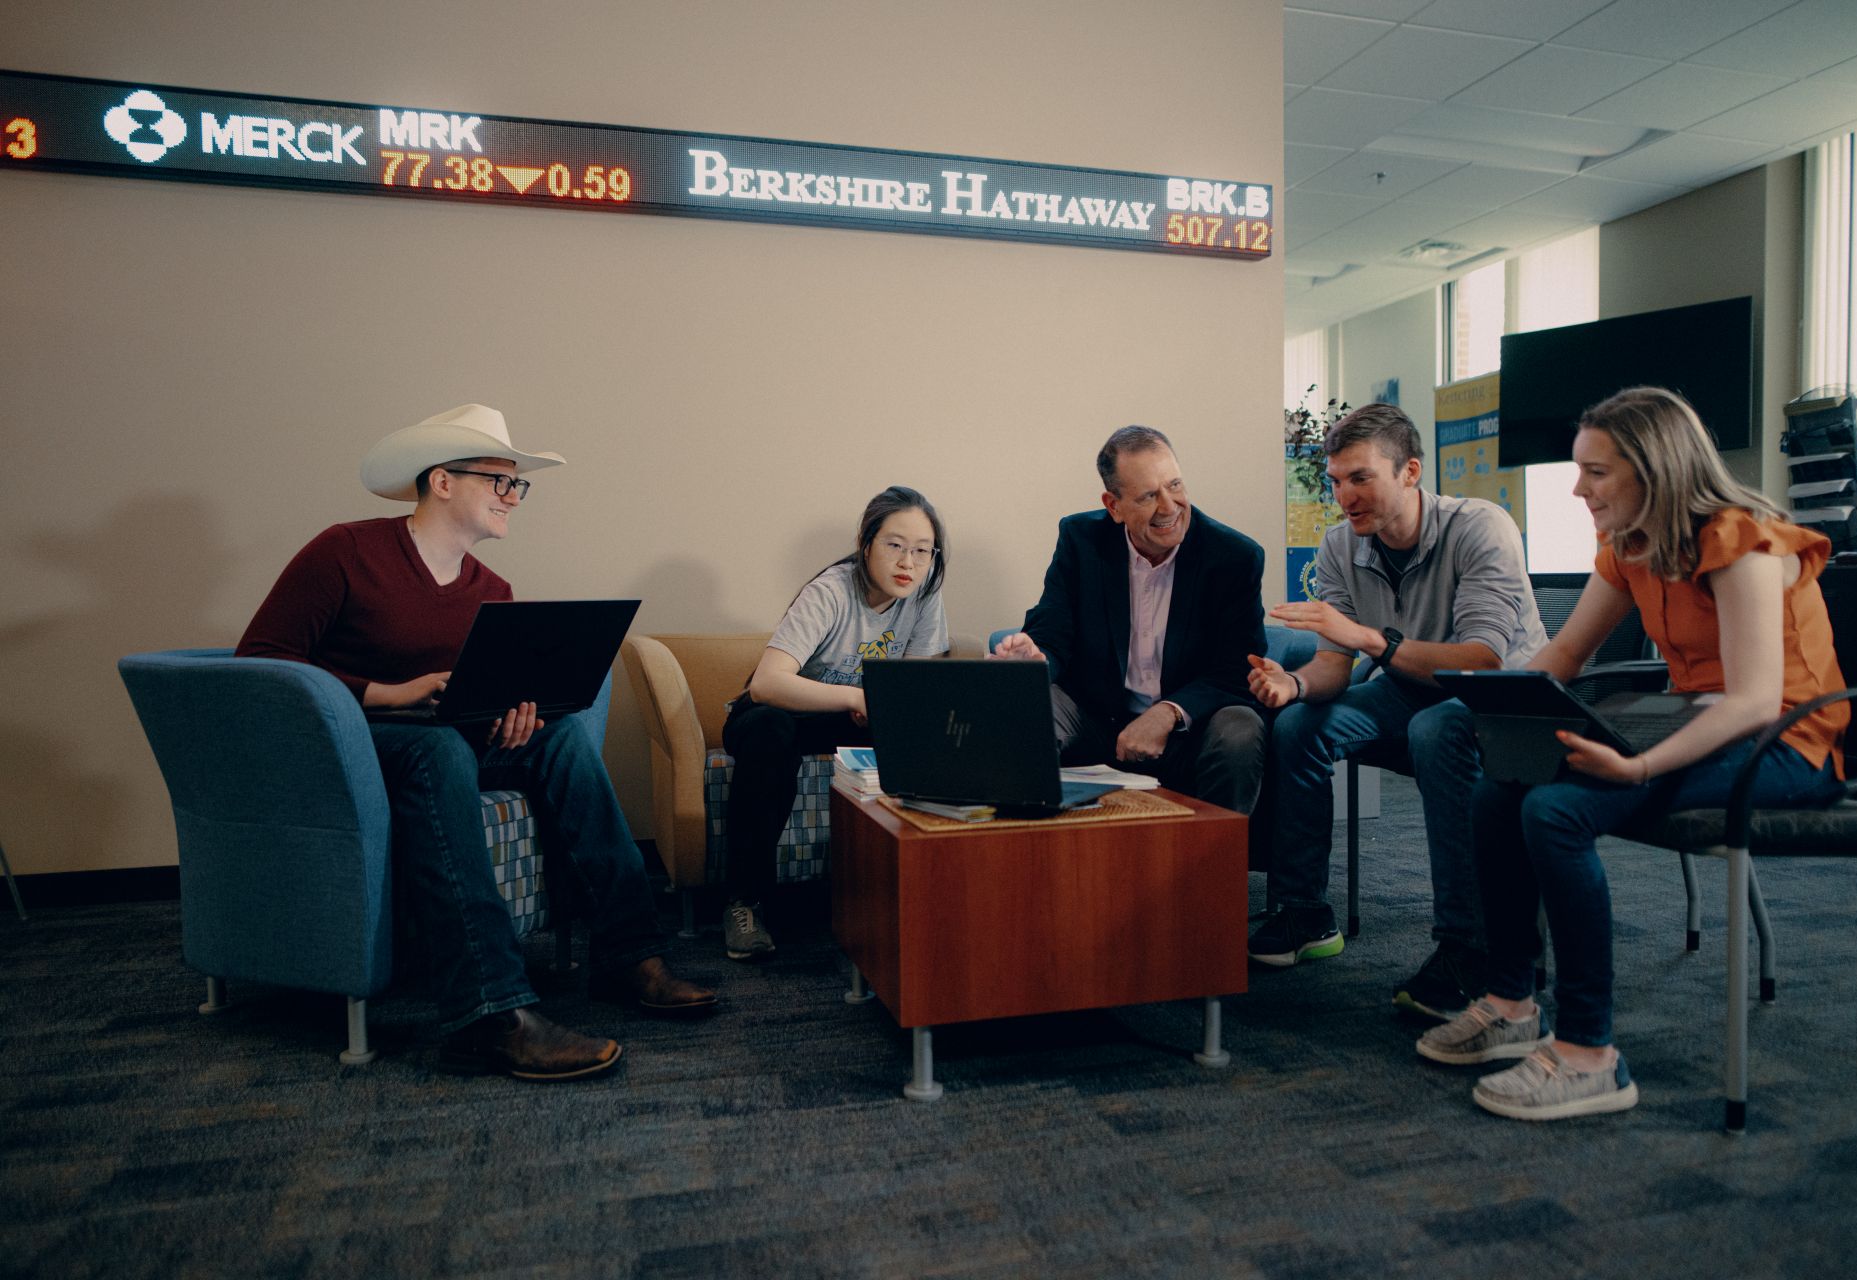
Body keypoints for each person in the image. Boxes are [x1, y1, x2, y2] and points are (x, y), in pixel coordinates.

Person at [237, 403, 714, 1083]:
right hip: (353, 745)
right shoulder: (346, 551)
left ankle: (630, 956)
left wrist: (515, 717)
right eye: (500, 481)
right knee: (439, 753)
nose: (512, 498)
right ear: (442, 482)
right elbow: (261, 660)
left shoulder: (491, 591)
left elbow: (474, 699)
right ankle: (488, 1016)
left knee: (562, 741)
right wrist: (386, 691)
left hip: (444, 738)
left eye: (517, 485)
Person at [1416, 386, 1848, 1121]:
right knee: (1499, 791)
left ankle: (1590, 1054)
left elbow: (1750, 703)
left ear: (1655, 469)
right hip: (1689, 725)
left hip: (1784, 746)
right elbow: (1566, 654)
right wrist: (1492, 706)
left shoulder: (1741, 540)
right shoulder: (1630, 548)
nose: (1577, 487)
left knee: (1556, 811)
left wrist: (1641, 766)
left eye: (1596, 471)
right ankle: (1512, 1003)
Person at [1246, 402, 1545, 1020]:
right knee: (1301, 727)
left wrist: (1369, 641)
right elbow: (1332, 666)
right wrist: (1292, 687)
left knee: (1437, 729)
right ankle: (1306, 914)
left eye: (1360, 478)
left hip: (1503, 703)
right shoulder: (1340, 546)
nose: (1343, 496)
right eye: (1334, 481)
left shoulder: (1481, 528)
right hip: (1409, 690)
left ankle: (1468, 948)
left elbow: (1483, 662)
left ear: (1409, 472)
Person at [720, 486, 949, 961]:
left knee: (930, 736)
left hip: (854, 718)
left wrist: (892, 709)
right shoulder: (831, 590)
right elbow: (766, 683)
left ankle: (912, 890)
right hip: (782, 714)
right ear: (866, 544)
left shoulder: (925, 595)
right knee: (768, 732)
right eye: (894, 545)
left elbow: (917, 686)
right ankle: (745, 902)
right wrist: (856, 695)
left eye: (922, 551)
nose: (908, 561)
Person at [993, 425, 1266, 817]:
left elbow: (1236, 670)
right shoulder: (1080, 539)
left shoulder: (1233, 557)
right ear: (1114, 505)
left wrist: (1169, 712)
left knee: (1241, 726)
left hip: (1189, 729)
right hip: (1097, 717)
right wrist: (1035, 658)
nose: (1170, 506)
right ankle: (1030, 860)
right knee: (1025, 702)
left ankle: (1212, 870)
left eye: (1175, 485)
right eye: (1149, 496)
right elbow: (1054, 629)